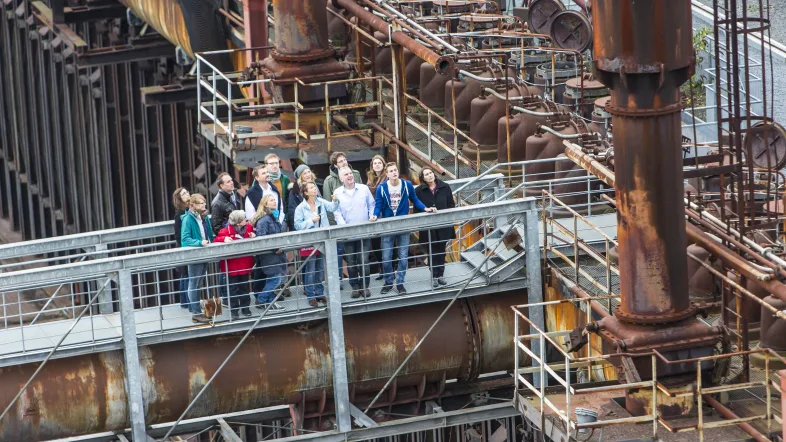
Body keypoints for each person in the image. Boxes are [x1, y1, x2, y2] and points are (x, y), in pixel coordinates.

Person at [371, 162, 436, 295]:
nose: (394, 172)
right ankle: (389, 282)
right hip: (388, 225)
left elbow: (414, 199)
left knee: (403, 257)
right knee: (386, 258)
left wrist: (425, 208)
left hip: (403, 224)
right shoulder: (381, 188)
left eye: (395, 170)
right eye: (391, 171)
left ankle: (400, 283)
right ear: (387, 174)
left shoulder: (407, 185)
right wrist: (375, 215)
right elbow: (378, 205)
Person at [294, 182, 340, 307]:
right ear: (305, 192)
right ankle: (310, 295)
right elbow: (297, 225)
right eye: (311, 187)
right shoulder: (301, 208)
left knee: (320, 268)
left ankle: (319, 293)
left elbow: (332, 208)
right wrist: (311, 221)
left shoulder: (320, 201)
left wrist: (336, 201)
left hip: (322, 240)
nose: (315, 188)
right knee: (310, 270)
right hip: (309, 242)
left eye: (314, 187)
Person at [333, 166, 375, 299]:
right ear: (341, 179)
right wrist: (344, 227)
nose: (350, 176)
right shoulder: (337, 192)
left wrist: (371, 216)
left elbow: (372, 204)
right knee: (351, 262)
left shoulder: (364, 188)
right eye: (346, 174)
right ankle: (355, 287)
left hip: (364, 231)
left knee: (363, 261)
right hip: (348, 234)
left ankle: (365, 286)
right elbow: (336, 211)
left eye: (350, 173)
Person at [415, 167, 455, 287]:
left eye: (431, 173)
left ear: (434, 174)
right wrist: (426, 211)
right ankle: (434, 276)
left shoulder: (445, 187)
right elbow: (417, 209)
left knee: (441, 251)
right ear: (423, 178)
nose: (430, 175)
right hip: (428, 226)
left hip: (443, 224)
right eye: (426, 174)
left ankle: (440, 275)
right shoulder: (419, 191)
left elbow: (451, 204)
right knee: (431, 252)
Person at [214, 210, 256, 319]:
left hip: (244, 264)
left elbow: (253, 234)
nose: (246, 219)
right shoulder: (225, 231)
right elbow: (215, 240)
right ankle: (234, 311)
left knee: (244, 288)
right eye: (244, 218)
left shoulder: (248, 228)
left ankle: (246, 309)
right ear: (238, 222)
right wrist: (223, 239)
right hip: (231, 267)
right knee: (233, 289)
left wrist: (253, 235)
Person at [180, 193, 214, 323]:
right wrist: (199, 242)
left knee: (198, 282)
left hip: (204, 253)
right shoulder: (188, 219)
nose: (204, 204)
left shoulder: (204, 217)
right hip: (195, 254)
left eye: (204, 202)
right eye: (201, 203)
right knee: (194, 283)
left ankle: (199, 311)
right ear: (193, 205)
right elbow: (185, 239)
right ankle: (196, 313)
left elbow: (209, 234)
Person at [252, 195, 287, 311]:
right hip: (269, 255)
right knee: (275, 279)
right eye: (271, 200)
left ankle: (270, 301)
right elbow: (262, 238)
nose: (274, 201)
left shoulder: (273, 217)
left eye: (274, 200)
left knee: (274, 278)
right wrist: (274, 249)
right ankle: (261, 300)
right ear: (265, 204)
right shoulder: (264, 220)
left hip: (276, 254)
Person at [322, 151, 362, 225]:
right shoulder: (329, 181)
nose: (344, 162)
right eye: (340, 161)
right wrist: (333, 224)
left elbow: (362, 195)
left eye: (345, 160)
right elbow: (328, 205)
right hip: (339, 220)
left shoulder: (356, 174)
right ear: (335, 165)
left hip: (358, 217)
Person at [365, 154, 387, 280]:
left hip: (385, 212)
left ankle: (389, 270)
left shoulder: (387, 177)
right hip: (374, 213)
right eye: (375, 163)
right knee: (375, 243)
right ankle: (382, 268)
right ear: (372, 166)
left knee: (387, 242)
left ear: (383, 164)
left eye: (379, 163)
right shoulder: (370, 179)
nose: (377, 165)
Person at [287, 164, 322, 231]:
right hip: (304, 227)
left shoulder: (315, 186)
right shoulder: (295, 191)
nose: (308, 175)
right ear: (300, 177)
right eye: (305, 173)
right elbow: (292, 212)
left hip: (319, 224)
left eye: (309, 172)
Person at [172, 187, 190, 309]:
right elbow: (178, 234)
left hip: (186, 246)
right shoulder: (180, 214)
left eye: (187, 192)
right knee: (186, 274)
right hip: (184, 247)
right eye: (184, 193)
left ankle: (185, 302)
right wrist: (185, 245)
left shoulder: (188, 210)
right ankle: (187, 302)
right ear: (179, 198)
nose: (187, 194)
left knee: (186, 275)